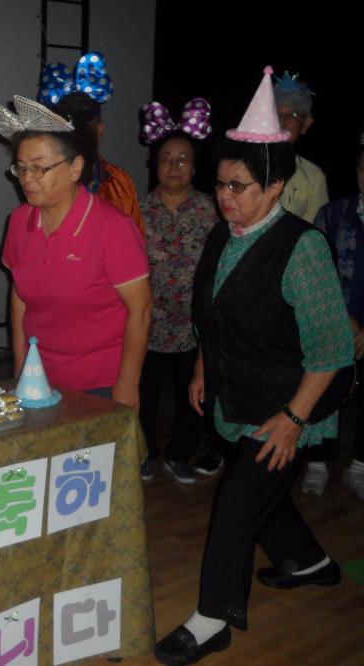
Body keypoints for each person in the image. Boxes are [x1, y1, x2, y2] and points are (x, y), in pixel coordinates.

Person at [155, 68, 353, 666]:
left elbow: (332, 350)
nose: (225, 196)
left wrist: (294, 419)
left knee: (237, 507)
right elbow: (210, 315)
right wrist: (201, 370)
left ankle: (213, 619)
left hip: (289, 400)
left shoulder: (303, 248)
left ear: (276, 186)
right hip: (236, 388)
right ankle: (310, 562)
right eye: (220, 184)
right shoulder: (225, 234)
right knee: (261, 489)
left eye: (239, 186)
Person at [0, 94, 151, 408]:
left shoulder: (112, 228)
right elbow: (20, 296)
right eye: (21, 168)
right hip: (38, 377)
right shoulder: (19, 222)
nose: (27, 179)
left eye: (39, 168)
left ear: (75, 168)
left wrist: (128, 385)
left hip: (100, 382)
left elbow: (139, 311)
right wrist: (20, 365)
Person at [138, 99, 219, 483]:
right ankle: (144, 451)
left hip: (193, 321)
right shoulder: (137, 211)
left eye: (182, 159)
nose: (173, 166)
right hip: (147, 320)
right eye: (166, 159)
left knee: (194, 393)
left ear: (195, 167)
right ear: (155, 165)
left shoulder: (211, 211)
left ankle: (181, 452)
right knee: (144, 392)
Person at [301, 135, 364, 500]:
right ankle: (318, 461)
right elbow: (316, 273)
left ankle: (359, 466)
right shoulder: (332, 214)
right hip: (333, 320)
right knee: (324, 391)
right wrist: (345, 320)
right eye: (363, 168)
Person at [38, 54, 145, 233]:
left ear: (99, 130)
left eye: (84, 129)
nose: (77, 137)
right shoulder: (42, 177)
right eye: (70, 129)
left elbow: (136, 239)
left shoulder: (120, 182)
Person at [274, 71, 329, 223]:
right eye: (276, 113)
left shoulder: (313, 177)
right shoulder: (243, 164)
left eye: (293, 115)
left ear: (305, 124)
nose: (282, 121)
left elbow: (316, 231)